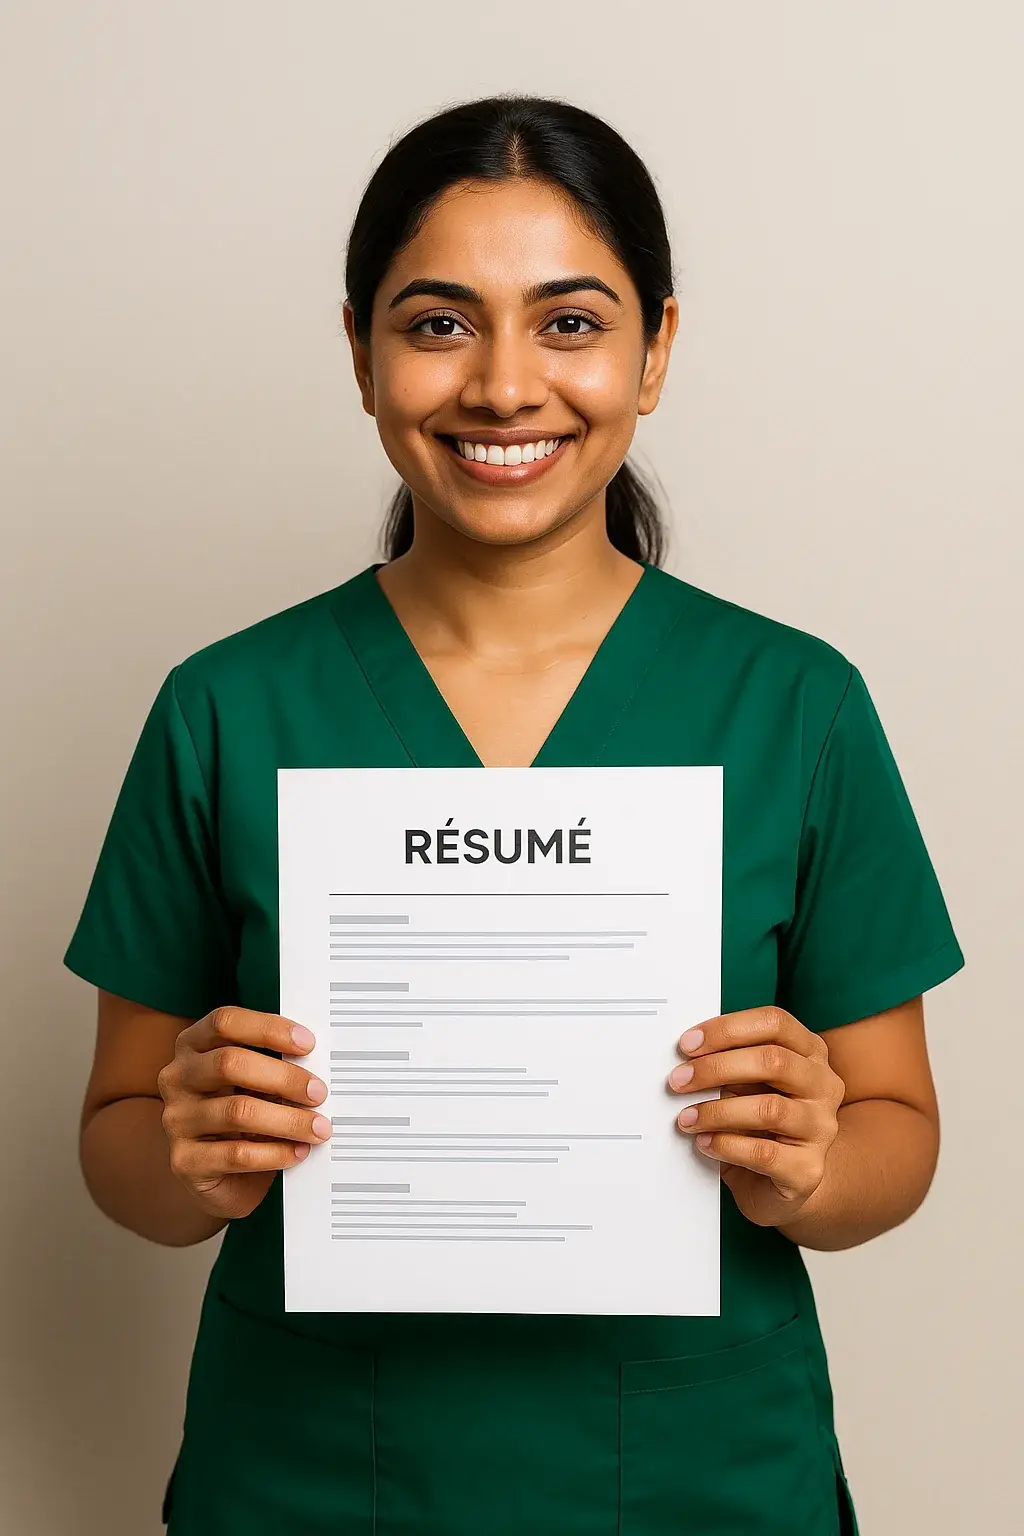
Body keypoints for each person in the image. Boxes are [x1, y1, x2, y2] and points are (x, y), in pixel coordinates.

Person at [65, 95, 965, 1536]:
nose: (501, 385)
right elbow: (119, 1141)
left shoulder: (796, 704)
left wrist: (813, 1163)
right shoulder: (225, 709)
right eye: (436, 324)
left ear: (655, 350)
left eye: (568, 323)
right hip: (318, 1472)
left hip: (700, 1472)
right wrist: (185, 1155)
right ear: (361, 354)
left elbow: (897, 1132)